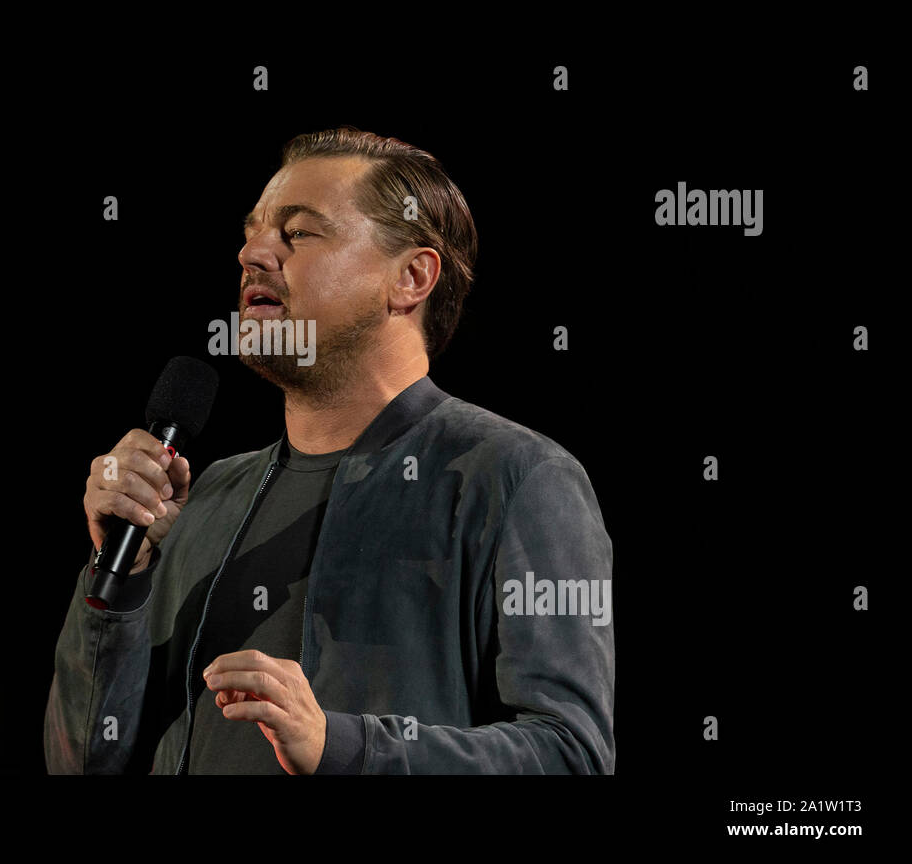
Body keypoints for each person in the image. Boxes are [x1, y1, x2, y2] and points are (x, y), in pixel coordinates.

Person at [45, 126, 615, 774]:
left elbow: (571, 756)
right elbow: (84, 759)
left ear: (410, 277)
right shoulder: (196, 502)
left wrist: (343, 747)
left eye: (298, 233)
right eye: (253, 230)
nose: (252, 253)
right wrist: (118, 575)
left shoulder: (518, 480)